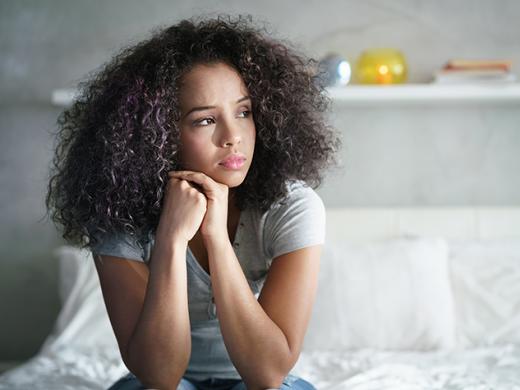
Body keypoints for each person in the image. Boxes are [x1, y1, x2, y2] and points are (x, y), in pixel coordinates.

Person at [45, 14, 341, 390]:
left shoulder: (292, 206)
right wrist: (170, 239)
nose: (233, 136)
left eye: (244, 112)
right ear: (159, 134)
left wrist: (216, 238)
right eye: (204, 121)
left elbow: (268, 374)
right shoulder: (115, 211)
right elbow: (159, 376)